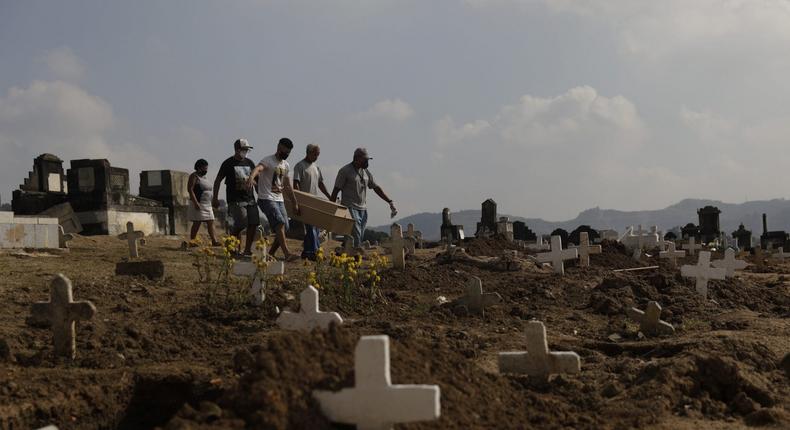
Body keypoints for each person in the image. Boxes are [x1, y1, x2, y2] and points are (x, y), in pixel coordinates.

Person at [246, 137, 301, 261]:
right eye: (285, 151)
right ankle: (287, 254)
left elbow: (287, 185)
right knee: (280, 223)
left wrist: (294, 203)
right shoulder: (268, 160)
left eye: (288, 153)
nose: (286, 154)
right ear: (279, 148)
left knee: (285, 227)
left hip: (279, 199)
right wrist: (251, 178)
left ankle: (271, 253)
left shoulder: (286, 165)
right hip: (266, 198)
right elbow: (258, 168)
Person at [330, 147, 397, 248]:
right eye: (365, 159)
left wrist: (389, 201)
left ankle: (345, 252)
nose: (367, 162)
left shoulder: (366, 172)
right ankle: (355, 257)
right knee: (356, 235)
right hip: (350, 207)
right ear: (357, 158)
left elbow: (376, 187)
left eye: (367, 159)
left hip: (362, 208)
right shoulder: (345, 171)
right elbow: (336, 190)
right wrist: (331, 208)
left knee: (359, 236)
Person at [212, 138, 259, 255]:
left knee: (253, 222)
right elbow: (218, 180)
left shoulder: (250, 163)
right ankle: (230, 243)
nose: (245, 152)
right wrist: (215, 197)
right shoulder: (228, 163)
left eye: (247, 150)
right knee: (242, 222)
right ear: (237, 150)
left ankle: (247, 250)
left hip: (250, 198)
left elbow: (257, 180)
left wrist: (259, 194)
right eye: (243, 149)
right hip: (235, 199)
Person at [293, 144, 332, 260]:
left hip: (314, 201)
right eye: (315, 154)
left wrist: (329, 196)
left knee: (315, 227)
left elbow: (320, 183)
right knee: (311, 227)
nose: (316, 156)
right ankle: (315, 252)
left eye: (318, 154)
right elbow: (296, 184)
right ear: (308, 152)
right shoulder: (300, 166)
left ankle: (307, 252)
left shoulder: (316, 167)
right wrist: (298, 201)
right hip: (305, 201)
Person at [187, 159, 220, 246]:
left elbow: (209, 191)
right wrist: (195, 203)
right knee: (197, 222)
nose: (206, 170)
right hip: (198, 203)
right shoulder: (194, 176)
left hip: (207, 204)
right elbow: (190, 189)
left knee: (211, 221)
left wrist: (213, 201)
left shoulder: (204, 178)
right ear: (199, 168)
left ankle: (214, 240)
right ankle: (192, 241)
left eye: (207, 168)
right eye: (204, 168)